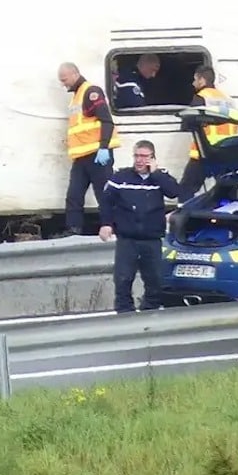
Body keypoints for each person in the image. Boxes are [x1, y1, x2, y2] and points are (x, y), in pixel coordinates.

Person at [98, 140, 182, 313]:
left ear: (152, 158)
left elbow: (174, 192)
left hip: (151, 239)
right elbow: (106, 201)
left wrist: (156, 173)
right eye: (136, 156)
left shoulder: (160, 177)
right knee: (123, 280)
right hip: (127, 239)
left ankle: (148, 313)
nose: (139, 160)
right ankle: (125, 316)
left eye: (144, 156)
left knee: (155, 281)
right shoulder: (121, 177)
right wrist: (106, 224)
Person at [57, 62, 121, 236]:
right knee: (74, 195)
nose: (63, 84)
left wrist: (104, 147)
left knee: (104, 195)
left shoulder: (91, 92)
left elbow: (106, 121)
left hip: (97, 154)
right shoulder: (76, 96)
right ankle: (73, 230)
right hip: (82, 156)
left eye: (64, 79)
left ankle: (111, 227)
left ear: (75, 74)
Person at [180, 65, 238, 204]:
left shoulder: (201, 98)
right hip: (226, 152)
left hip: (204, 151)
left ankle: (184, 217)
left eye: (195, 79)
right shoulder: (228, 100)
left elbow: (187, 123)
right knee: (226, 189)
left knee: (186, 188)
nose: (193, 83)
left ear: (202, 80)